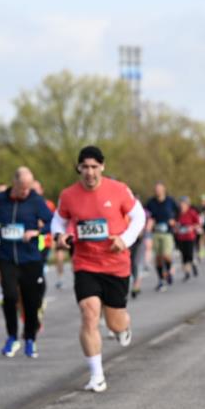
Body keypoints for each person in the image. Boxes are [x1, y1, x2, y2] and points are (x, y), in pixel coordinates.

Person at [52, 146, 145, 392]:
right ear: (79, 168)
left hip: (116, 265)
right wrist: (59, 235)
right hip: (85, 263)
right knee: (89, 312)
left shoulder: (118, 190)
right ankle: (97, 375)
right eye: (85, 167)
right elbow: (58, 220)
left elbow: (140, 217)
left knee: (115, 322)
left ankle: (122, 328)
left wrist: (125, 240)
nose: (90, 172)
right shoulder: (69, 195)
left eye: (94, 167)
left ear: (102, 167)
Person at [0, 167, 53, 359]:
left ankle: (30, 339)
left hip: (30, 258)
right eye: (22, 187)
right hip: (6, 257)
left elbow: (51, 222)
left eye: (29, 187)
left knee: (31, 302)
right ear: (14, 183)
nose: (26, 191)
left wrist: (36, 233)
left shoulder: (36, 201)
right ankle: (12, 337)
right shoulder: (0, 199)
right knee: (10, 297)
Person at [145, 183, 179, 292]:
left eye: (160, 189)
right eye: (156, 189)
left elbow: (178, 211)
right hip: (156, 232)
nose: (158, 191)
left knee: (166, 255)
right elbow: (145, 213)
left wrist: (174, 220)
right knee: (158, 258)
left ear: (164, 190)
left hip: (167, 232)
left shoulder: (170, 201)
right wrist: (149, 222)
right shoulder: (151, 202)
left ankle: (169, 270)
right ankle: (161, 279)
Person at [174, 196, 202, 280]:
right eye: (181, 203)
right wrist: (176, 227)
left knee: (189, 255)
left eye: (183, 203)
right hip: (180, 237)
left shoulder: (192, 212)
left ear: (187, 204)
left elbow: (198, 223)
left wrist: (191, 227)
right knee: (184, 256)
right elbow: (175, 223)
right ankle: (187, 273)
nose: (182, 205)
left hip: (190, 237)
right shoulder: (178, 213)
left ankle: (193, 265)